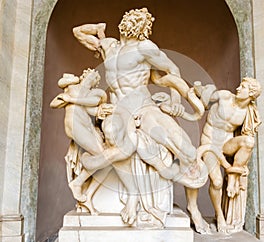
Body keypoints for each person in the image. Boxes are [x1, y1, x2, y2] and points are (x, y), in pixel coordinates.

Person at [72, 8, 208, 223]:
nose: (137, 22)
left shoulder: (145, 47)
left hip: (143, 106)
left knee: (186, 148)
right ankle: (129, 195)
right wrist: (98, 29)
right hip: (118, 109)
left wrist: (174, 101)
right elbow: (78, 32)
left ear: (146, 29)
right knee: (111, 132)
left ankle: (193, 207)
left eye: (142, 21)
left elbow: (172, 70)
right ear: (124, 22)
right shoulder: (109, 46)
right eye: (134, 18)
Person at [185, 77, 261, 233]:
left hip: (227, 145)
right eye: (240, 85)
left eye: (244, 87)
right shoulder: (225, 96)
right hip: (210, 144)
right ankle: (219, 214)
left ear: (251, 94)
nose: (239, 89)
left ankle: (233, 176)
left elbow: (247, 134)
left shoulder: (248, 112)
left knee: (248, 141)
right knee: (217, 182)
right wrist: (201, 91)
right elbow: (205, 100)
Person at [50, 69, 112, 214]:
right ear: (84, 76)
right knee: (105, 159)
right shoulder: (72, 88)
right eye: (91, 74)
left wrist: (71, 100)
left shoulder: (95, 94)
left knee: (107, 162)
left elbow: (93, 105)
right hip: (75, 126)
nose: (92, 77)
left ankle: (87, 197)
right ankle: (77, 184)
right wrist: (66, 97)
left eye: (95, 77)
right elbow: (53, 104)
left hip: (85, 129)